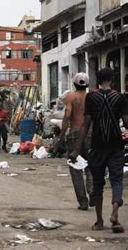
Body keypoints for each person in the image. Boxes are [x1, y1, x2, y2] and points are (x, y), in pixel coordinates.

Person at [70, 68, 128, 233]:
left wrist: (77, 149)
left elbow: (86, 124)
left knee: (98, 183)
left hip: (97, 145)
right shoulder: (120, 97)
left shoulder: (91, 97)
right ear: (112, 79)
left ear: (97, 80)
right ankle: (115, 215)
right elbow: (126, 122)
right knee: (117, 180)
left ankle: (100, 221)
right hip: (116, 145)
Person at [58, 72, 93, 210]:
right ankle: (93, 191)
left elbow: (67, 116)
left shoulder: (71, 97)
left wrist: (61, 137)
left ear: (74, 83)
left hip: (74, 135)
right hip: (90, 134)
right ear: (88, 84)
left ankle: (83, 201)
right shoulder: (92, 97)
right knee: (91, 165)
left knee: (75, 168)